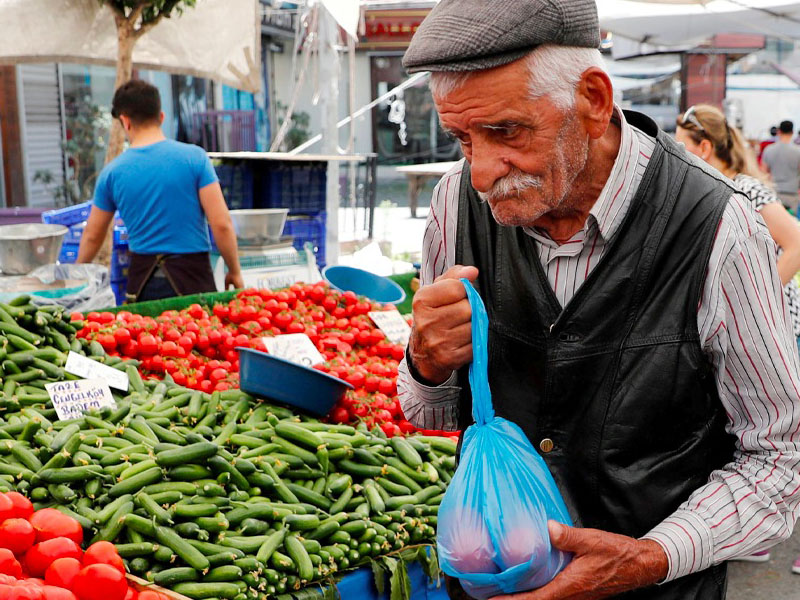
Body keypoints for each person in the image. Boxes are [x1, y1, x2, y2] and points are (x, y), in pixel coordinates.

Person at [397, 1, 800, 598]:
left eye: (506, 131)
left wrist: (651, 556)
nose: (481, 173)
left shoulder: (716, 225)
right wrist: (426, 362)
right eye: (462, 138)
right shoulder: (453, 204)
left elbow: (780, 456)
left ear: (592, 100)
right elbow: (429, 414)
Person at [77, 79, 243, 301]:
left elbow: (92, 236)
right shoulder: (195, 158)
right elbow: (221, 224)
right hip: (194, 281)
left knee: (150, 335)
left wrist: (76, 275)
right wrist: (234, 270)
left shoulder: (112, 173)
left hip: (144, 286)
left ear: (125, 122)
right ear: (161, 117)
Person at [762, 120, 800, 212]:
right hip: (792, 194)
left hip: (773, 194)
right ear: (792, 132)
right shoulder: (798, 151)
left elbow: (763, 172)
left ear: (779, 132)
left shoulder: (768, 150)